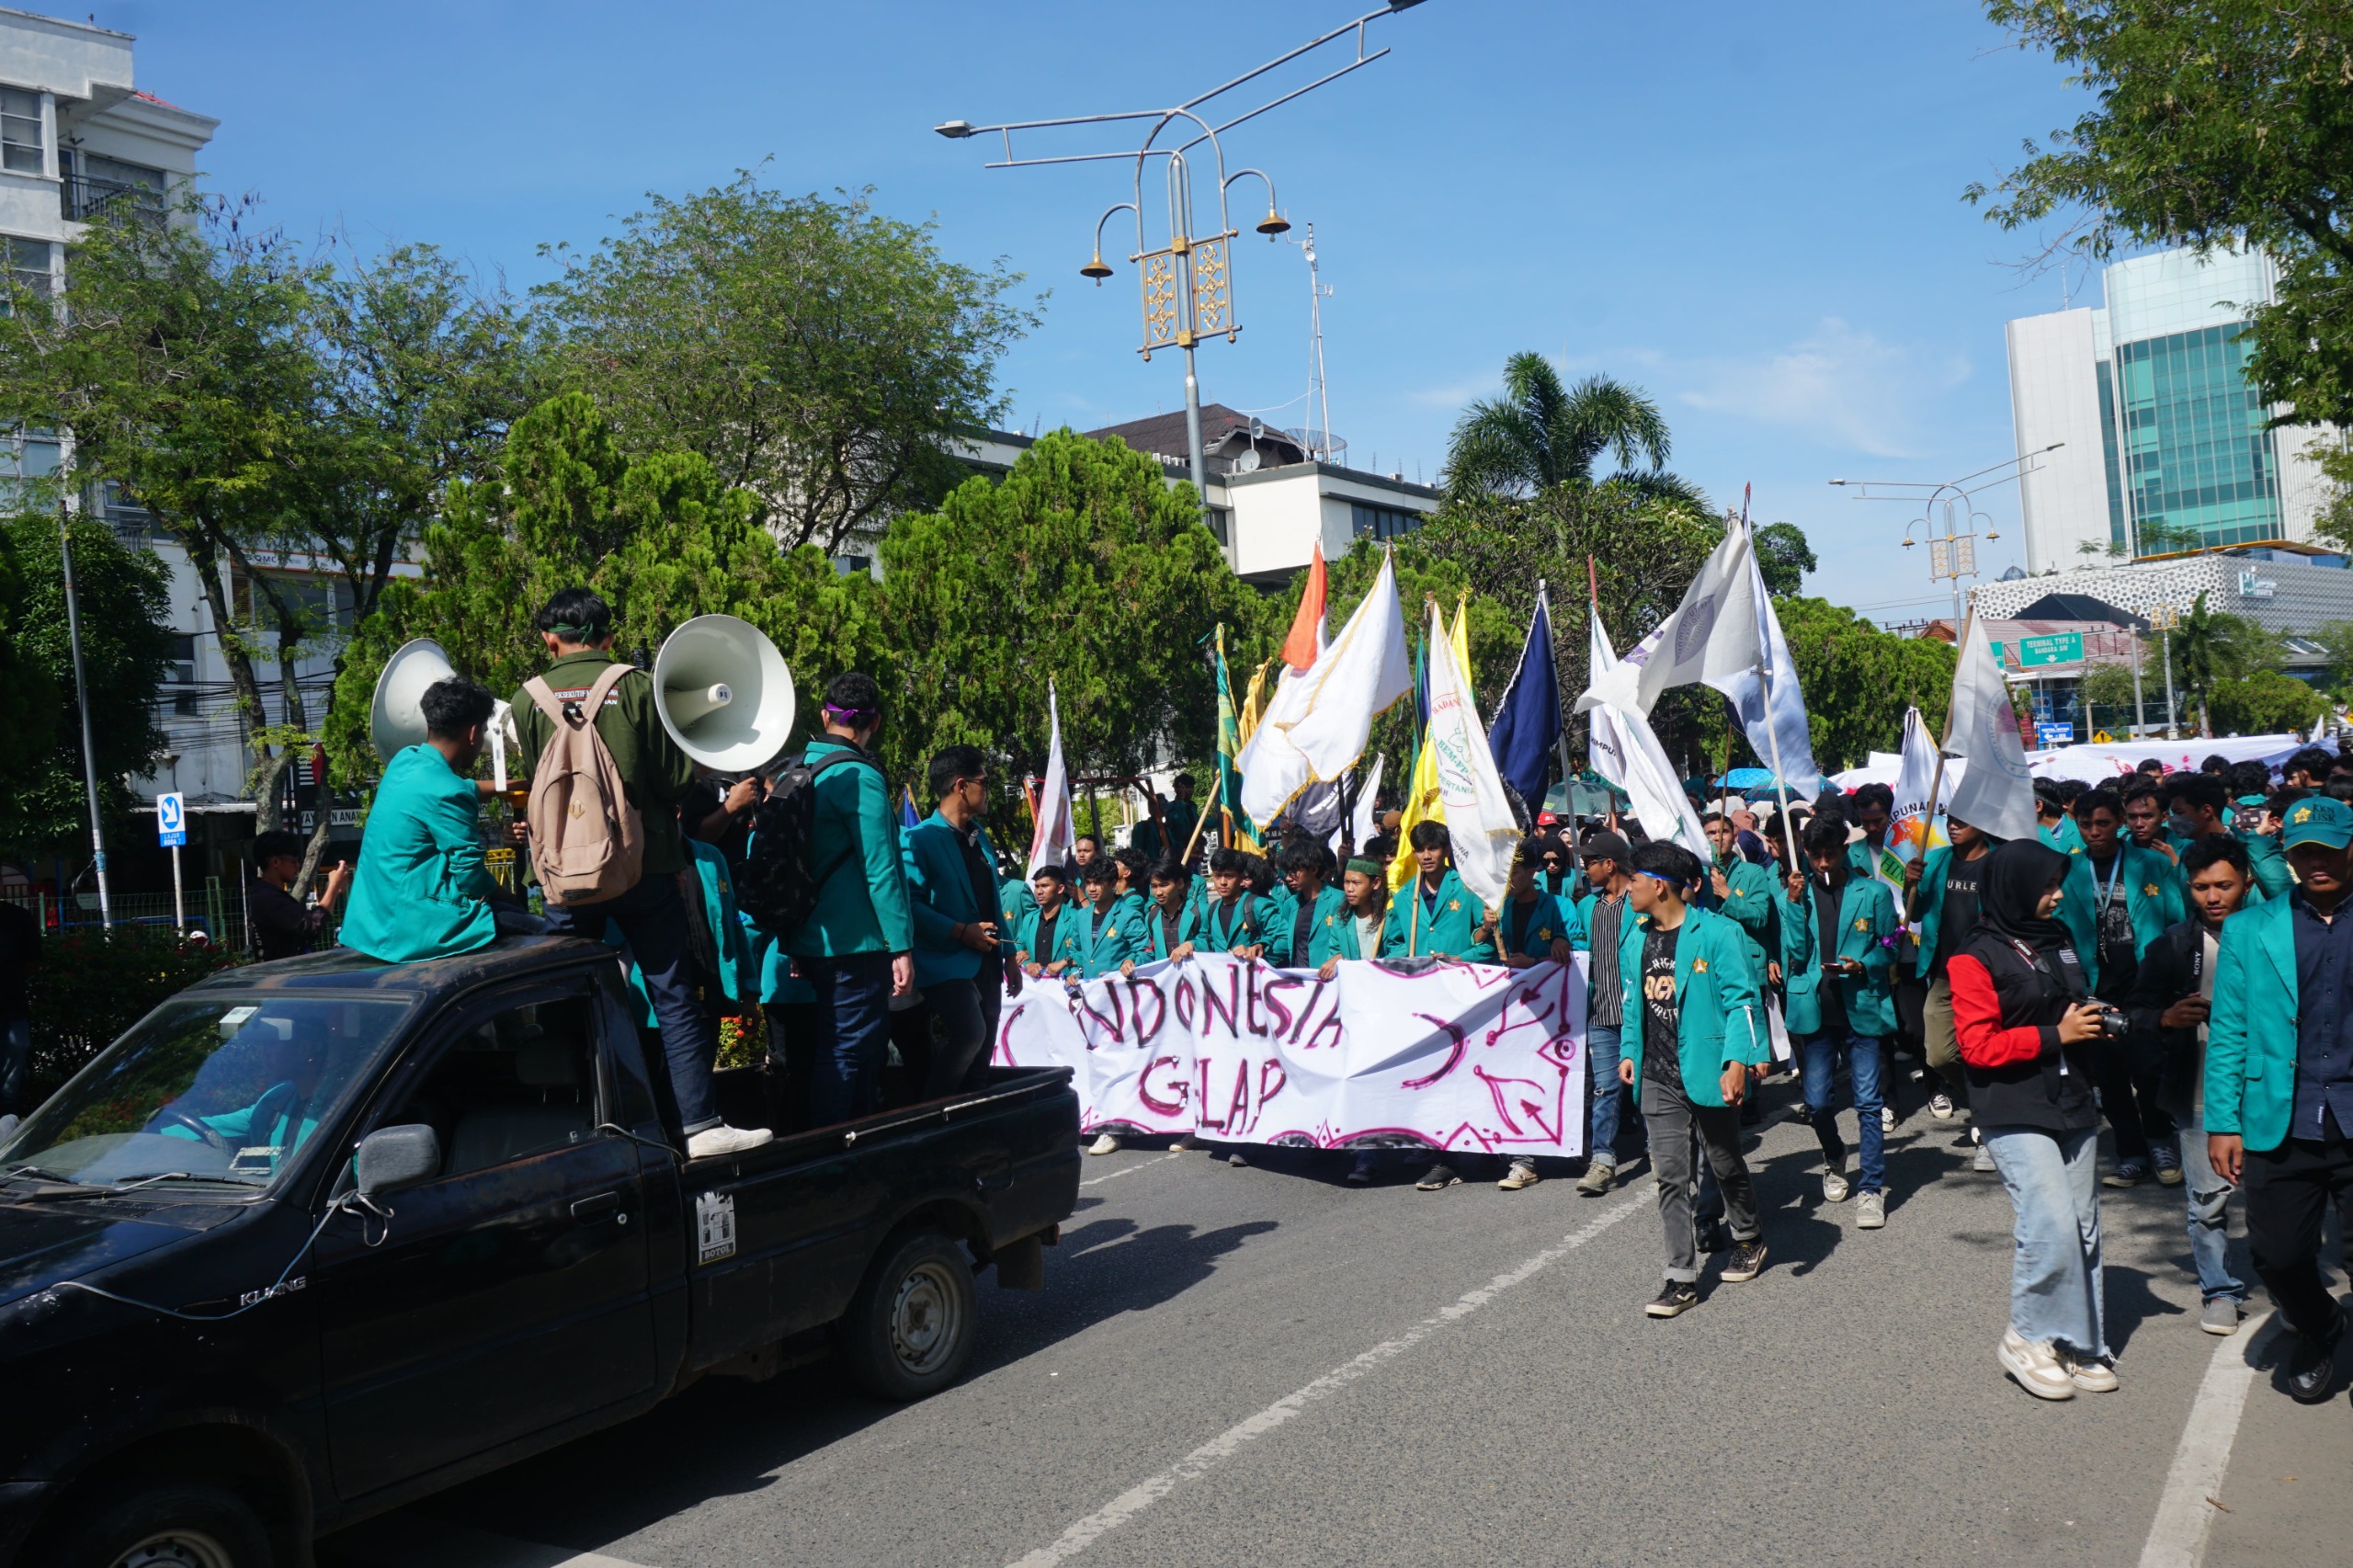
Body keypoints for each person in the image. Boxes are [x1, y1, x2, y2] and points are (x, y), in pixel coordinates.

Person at [510, 589, 769, 1159]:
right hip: (644, 868)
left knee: (564, 998)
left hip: (565, 879)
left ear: (551, 640)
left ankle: (567, 1125)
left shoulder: (525, 700)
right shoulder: (633, 686)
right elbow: (677, 781)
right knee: (673, 995)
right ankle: (700, 1127)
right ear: (607, 637)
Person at [1949, 839, 2117, 1401]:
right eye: (2046, 885)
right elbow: (1975, 1047)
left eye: (2058, 884)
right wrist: (2055, 1035)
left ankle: (2078, 1340)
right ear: (2015, 886)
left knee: (2083, 1225)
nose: (2056, 894)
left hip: (2072, 1096)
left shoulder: (2060, 938)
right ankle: (2027, 1335)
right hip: (2013, 1104)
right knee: (2047, 1219)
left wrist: (2094, 1018)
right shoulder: (1973, 955)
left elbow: (2071, 1000)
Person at [2206, 795, 2353, 1404]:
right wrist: (2221, 1121)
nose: (2315, 862)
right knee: (2278, 1256)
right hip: (2280, 1119)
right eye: (2302, 852)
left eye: (2327, 848)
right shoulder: (2250, 928)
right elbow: (2231, 1028)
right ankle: (2321, 1327)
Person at [1617, 839, 1770, 1316]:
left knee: (1724, 1163)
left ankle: (1749, 1235)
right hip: (1658, 1075)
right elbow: (1631, 1003)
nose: (1627, 888)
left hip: (1707, 1070)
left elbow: (1743, 1000)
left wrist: (1739, 1061)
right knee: (1670, 1178)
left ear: (1660, 886)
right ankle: (1680, 1279)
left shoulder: (1719, 933)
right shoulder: (1634, 937)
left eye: (1634, 880)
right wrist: (1628, 1052)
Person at [2125, 836, 2254, 1335]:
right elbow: (2134, 1012)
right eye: (2201, 887)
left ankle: (2291, 1286)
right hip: (2199, 1093)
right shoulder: (2173, 946)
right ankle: (2219, 1291)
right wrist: (2165, 1017)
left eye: (2224, 884)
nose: (2213, 897)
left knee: (2273, 1202)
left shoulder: (2275, 935)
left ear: (2247, 881)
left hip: (2271, 1096)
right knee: (2207, 1202)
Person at [775, 671, 913, 1134]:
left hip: (809, 939)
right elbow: (882, 868)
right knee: (849, 1052)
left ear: (824, 716)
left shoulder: (796, 770)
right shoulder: (859, 776)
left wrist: (793, 939)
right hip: (856, 944)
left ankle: (842, 1141)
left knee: (835, 1048)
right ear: (874, 722)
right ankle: (838, 1152)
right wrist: (900, 945)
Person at [342, 676, 511, 968]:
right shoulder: (448, 791)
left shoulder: (404, 762)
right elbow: (471, 875)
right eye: (483, 729)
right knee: (541, 931)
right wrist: (511, 900)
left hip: (370, 924)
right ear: (473, 733)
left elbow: (453, 790)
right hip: (411, 929)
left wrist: (505, 785)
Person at [1783, 812, 1899, 1228]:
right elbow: (1795, 953)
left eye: (1830, 854)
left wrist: (1863, 963)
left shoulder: (1873, 893)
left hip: (1862, 1008)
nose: (1823, 864)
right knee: (1816, 1103)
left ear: (1843, 851)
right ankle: (1834, 1155)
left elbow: (1890, 945)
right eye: (1815, 856)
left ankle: (1871, 1187)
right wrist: (1794, 905)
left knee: (1868, 1103)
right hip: (1815, 1013)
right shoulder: (1796, 895)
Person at [2076, 787, 2186, 1187]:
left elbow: (2175, 918)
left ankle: (2159, 1141)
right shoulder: (2070, 872)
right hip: (2095, 992)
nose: (2094, 832)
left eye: (2103, 823)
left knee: (2149, 1069)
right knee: (2110, 1076)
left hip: (2144, 988)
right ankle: (2131, 1153)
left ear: (2120, 822)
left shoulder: (2151, 863)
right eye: (2085, 825)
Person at [900, 744, 1010, 1102]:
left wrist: (1011, 956)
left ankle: (971, 1135)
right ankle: (929, 1117)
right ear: (961, 786)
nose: (989, 790)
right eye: (985, 782)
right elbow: (909, 905)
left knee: (981, 1058)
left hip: (989, 960)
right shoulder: (918, 839)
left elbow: (992, 898)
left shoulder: (980, 837)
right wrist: (961, 931)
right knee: (969, 1034)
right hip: (944, 961)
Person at [1904, 812, 1995, 1165]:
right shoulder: (1938, 860)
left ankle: (1990, 1126)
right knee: (1938, 1054)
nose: (1953, 826)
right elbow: (1916, 912)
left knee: (1985, 1050)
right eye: (1950, 820)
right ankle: (1983, 1102)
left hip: (1987, 976)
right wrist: (1910, 884)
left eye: (1963, 820)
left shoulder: (1998, 861)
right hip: (1943, 973)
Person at [1574, 831, 1640, 1196]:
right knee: (1605, 1089)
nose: (1585, 868)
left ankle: (1663, 1150)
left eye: (1590, 862)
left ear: (1609, 865)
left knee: (1648, 1087)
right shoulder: (1588, 906)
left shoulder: (1639, 900)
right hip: (1601, 1014)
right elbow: (1580, 945)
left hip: (1639, 1012)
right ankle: (1603, 1160)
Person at [1381, 821, 1498, 964]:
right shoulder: (1404, 896)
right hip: (1420, 980)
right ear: (1414, 853)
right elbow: (1395, 944)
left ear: (1447, 851)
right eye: (1420, 850)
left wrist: (1459, 959)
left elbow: (1491, 941)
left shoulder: (1469, 888)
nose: (1426, 856)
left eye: (1433, 848)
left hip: (1460, 978)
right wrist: (1410, 960)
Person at [246, 829, 353, 963]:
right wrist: (333, 886)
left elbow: (309, 931)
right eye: (293, 861)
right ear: (276, 862)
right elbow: (311, 926)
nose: (298, 866)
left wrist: (332, 890)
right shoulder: (267, 898)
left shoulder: (268, 895)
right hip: (280, 977)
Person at [0, 893, 37, 1119]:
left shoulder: (18, 917)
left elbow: (33, 961)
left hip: (12, 1007)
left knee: (16, 1053)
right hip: (13, 1006)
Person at [1197, 847, 1268, 957]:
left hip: (1252, 972)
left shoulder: (1259, 906)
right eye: (1218, 876)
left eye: (1229, 876)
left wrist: (1259, 947)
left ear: (1241, 878)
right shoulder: (1212, 909)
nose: (1222, 882)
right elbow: (1207, 941)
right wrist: (1191, 945)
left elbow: (1283, 938)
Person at [1015, 865, 1074, 980]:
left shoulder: (1076, 918)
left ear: (1060, 888)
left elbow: (1084, 953)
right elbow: (1018, 948)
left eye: (1045, 886)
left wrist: (1064, 963)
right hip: (1036, 987)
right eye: (1037, 886)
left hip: (1065, 987)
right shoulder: (1029, 919)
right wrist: (1028, 963)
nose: (1039, 891)